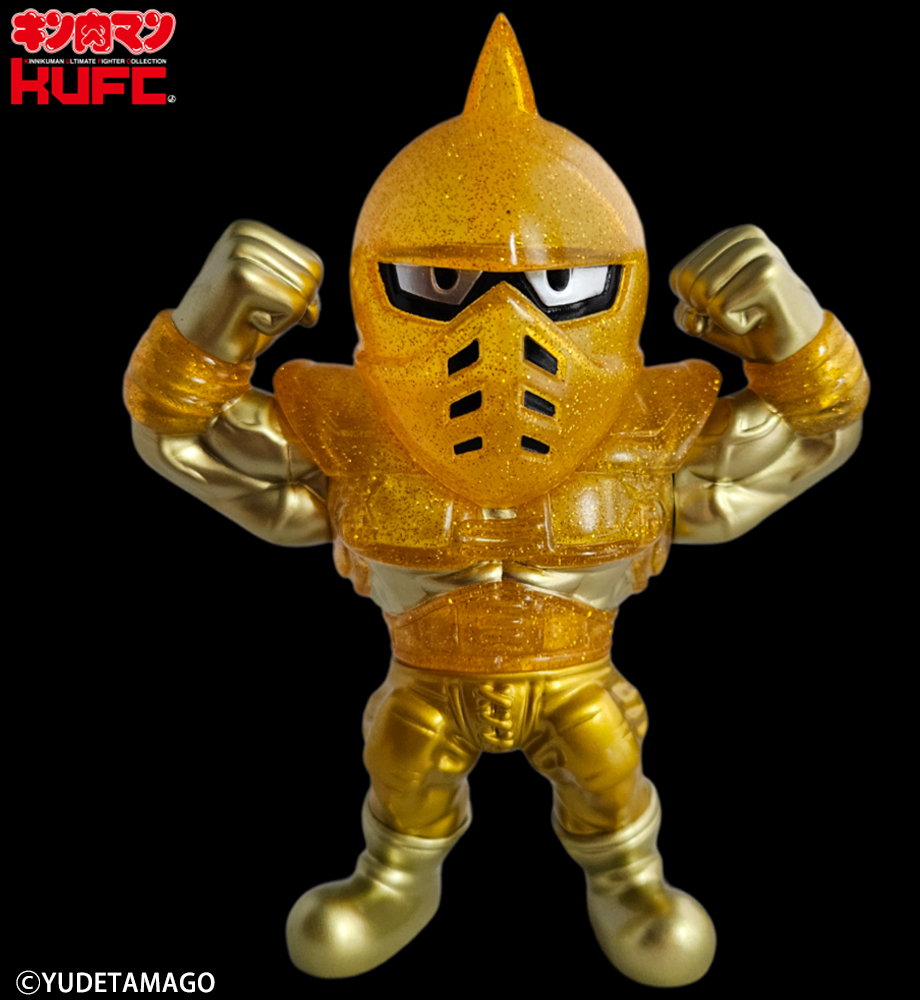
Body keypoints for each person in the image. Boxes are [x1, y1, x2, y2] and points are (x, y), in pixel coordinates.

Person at [123, 15, 867, 989]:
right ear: (384, 281)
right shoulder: (355, 431)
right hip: (423, 677)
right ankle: (399, 872)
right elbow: (179, 438)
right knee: (403, 768)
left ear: (613, 285)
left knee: (607, 775)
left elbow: (818, 433)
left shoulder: (647, 429)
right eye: (444, 281)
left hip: (578, 677)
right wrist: (212, 323)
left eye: (558, 282)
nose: (502, 325)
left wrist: (790, 329)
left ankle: (626, 874)